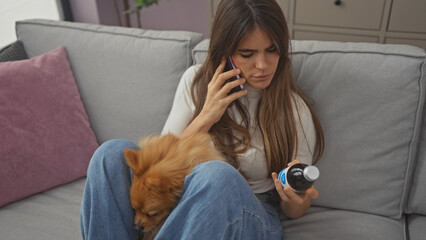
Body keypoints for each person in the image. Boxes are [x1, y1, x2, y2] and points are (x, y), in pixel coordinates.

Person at [80, 0, 325, 239]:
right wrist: (206, 117)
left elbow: (295, 211)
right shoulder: (195, 83)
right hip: (184, 204)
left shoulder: (294, 110)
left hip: (253, 213)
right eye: (247, 53)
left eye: (272, 50)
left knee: (216, 174)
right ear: (225, 52)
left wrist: (296, 199)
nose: (262, 65)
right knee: (109, 154)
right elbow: (162, 166)